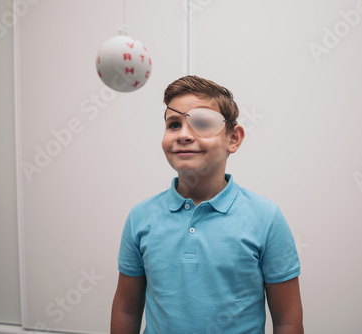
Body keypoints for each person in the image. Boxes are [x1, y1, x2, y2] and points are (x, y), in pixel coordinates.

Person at [111, 75, 304, 334]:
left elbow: (287, 321)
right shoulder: (140, 217)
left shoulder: (266, 218)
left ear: (233, 139)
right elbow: (126, 309)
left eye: (202, 123)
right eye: (174, 124)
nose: (183, 135)